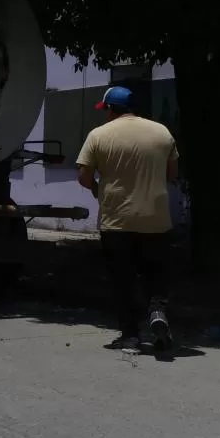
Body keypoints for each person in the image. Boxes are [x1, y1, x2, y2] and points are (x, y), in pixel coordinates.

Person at [76, 85, 179, 354]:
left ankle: (130, 335)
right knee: (155, 273)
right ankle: (157, 310)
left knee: (122, 280)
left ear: (110, 109)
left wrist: (98, 188)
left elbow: (84, 177)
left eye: (105, 110)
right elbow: (172, 174)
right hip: (156, 220)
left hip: (117, 222)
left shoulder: (98, 135)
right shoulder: (162, 132)